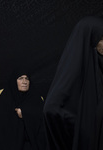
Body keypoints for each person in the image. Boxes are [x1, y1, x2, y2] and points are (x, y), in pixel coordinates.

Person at [43, 16, 103, 150]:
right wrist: (83, 125)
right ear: (90, 39)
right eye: (102, 38)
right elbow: (51, 109)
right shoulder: (73, 70)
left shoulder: (98, 62)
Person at [0, 69, 46, 150]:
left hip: (30, 141)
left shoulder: (35, 98)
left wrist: (25, 114)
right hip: (8, 140)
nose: (24, 82)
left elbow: (42, 119)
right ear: (14, 81)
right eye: (20, 78)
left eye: (27, 79)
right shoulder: (6, 98)